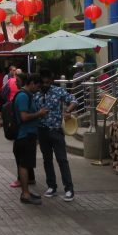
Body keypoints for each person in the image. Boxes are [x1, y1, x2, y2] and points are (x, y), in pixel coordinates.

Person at [34, 69, 77, 202]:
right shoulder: (36, 93)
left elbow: (74, 100)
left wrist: (68, 111)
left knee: (62, 160)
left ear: (52, 81)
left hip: (56, 130)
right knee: (47, 160)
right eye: (43, 82)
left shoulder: (58, 91)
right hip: (42, 130)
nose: (45, 85)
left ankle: (69, 189)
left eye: (48, 82)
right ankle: (51, 186)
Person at [13, 73, 49, 205]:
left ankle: (26, 191)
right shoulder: (23, 96)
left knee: (26, 164)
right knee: (24, 164)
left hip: (28, 134)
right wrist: (39, 114)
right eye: (37, 86)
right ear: (31, 83)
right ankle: (25, 194)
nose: (38, 89)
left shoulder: (28, 95)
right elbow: (23, 117)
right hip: (24, 135)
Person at [9, 72, 36, 189]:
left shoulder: (23, 95)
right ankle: (30, 178)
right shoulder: (27, 95)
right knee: (26, 158)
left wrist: (39, 114)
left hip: (24, 133)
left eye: (18, 80)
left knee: (22, 160)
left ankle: (23, 184)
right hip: (27, 132)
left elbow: (23, 116)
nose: (16, 82)